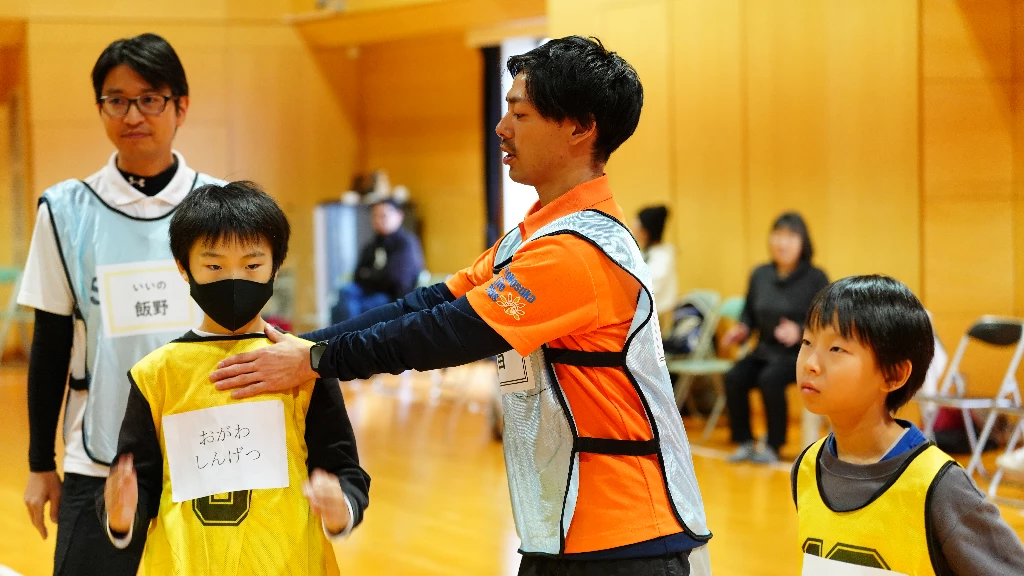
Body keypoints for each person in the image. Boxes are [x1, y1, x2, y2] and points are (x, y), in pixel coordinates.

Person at [208, 36, 713, 575]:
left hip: (632, 537)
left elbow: (444, 332)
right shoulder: (533, 237)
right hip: (564, 531)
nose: (502, 128)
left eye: (520, 114)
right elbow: (426, 304)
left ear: (579, 128)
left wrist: (313, 360)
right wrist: (303, 346)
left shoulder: (577, 252)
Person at [18, 33, 224, 575]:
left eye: (150, 98)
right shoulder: (65, 210)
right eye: (116, 100)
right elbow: (50, 344)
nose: (133, 115)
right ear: (101, 108)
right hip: (99, 456)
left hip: (209, 449)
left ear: (181, 107)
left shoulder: (222, 206)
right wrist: (41, 463)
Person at [103, 181, 370, 574]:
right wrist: (122, 515)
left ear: (275, 266)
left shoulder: (304, 365)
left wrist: (339, 507)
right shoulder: (155, 374)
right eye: (214, 266)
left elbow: (344, 469)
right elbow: (139, 480)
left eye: (252, 265)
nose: (234, 279)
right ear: (183, 267)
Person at [792, 275, 1024, 574]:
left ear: (894, 375)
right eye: (807, 342)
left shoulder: (939, 485)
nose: (810, 363)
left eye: (836, 349)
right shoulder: (807, 467)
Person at [720, 212, 829, 464]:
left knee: (770, 379)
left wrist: (799, 331)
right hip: (765, 350)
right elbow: (749, 313)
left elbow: (826, 321)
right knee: (734, 377)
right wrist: (742, 329)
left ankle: (773, 445)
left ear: (803, 242)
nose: (782, 243)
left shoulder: (816, 277)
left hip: (800, 355)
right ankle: (745, 442)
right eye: (778, 235)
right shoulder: (760, 274)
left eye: (790, 236)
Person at [330, 199, 424, 323]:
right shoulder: (372, 244)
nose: (378, 220)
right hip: (367, 291)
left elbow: (395, 279)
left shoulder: (406, 243)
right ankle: (344, 332)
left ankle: (349, 332)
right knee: (345, 292)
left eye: (383, 215)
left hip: (393, 296)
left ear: (399, 216)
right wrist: (375, 276)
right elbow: (358, 275)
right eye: (375, 216)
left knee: (361, 307)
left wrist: (369, 275)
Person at [634, 205, 676, 330]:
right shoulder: (646, 253)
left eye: (636, 227)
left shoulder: (662, 258)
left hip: (657, 320)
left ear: (645, 232)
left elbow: (649, 290)